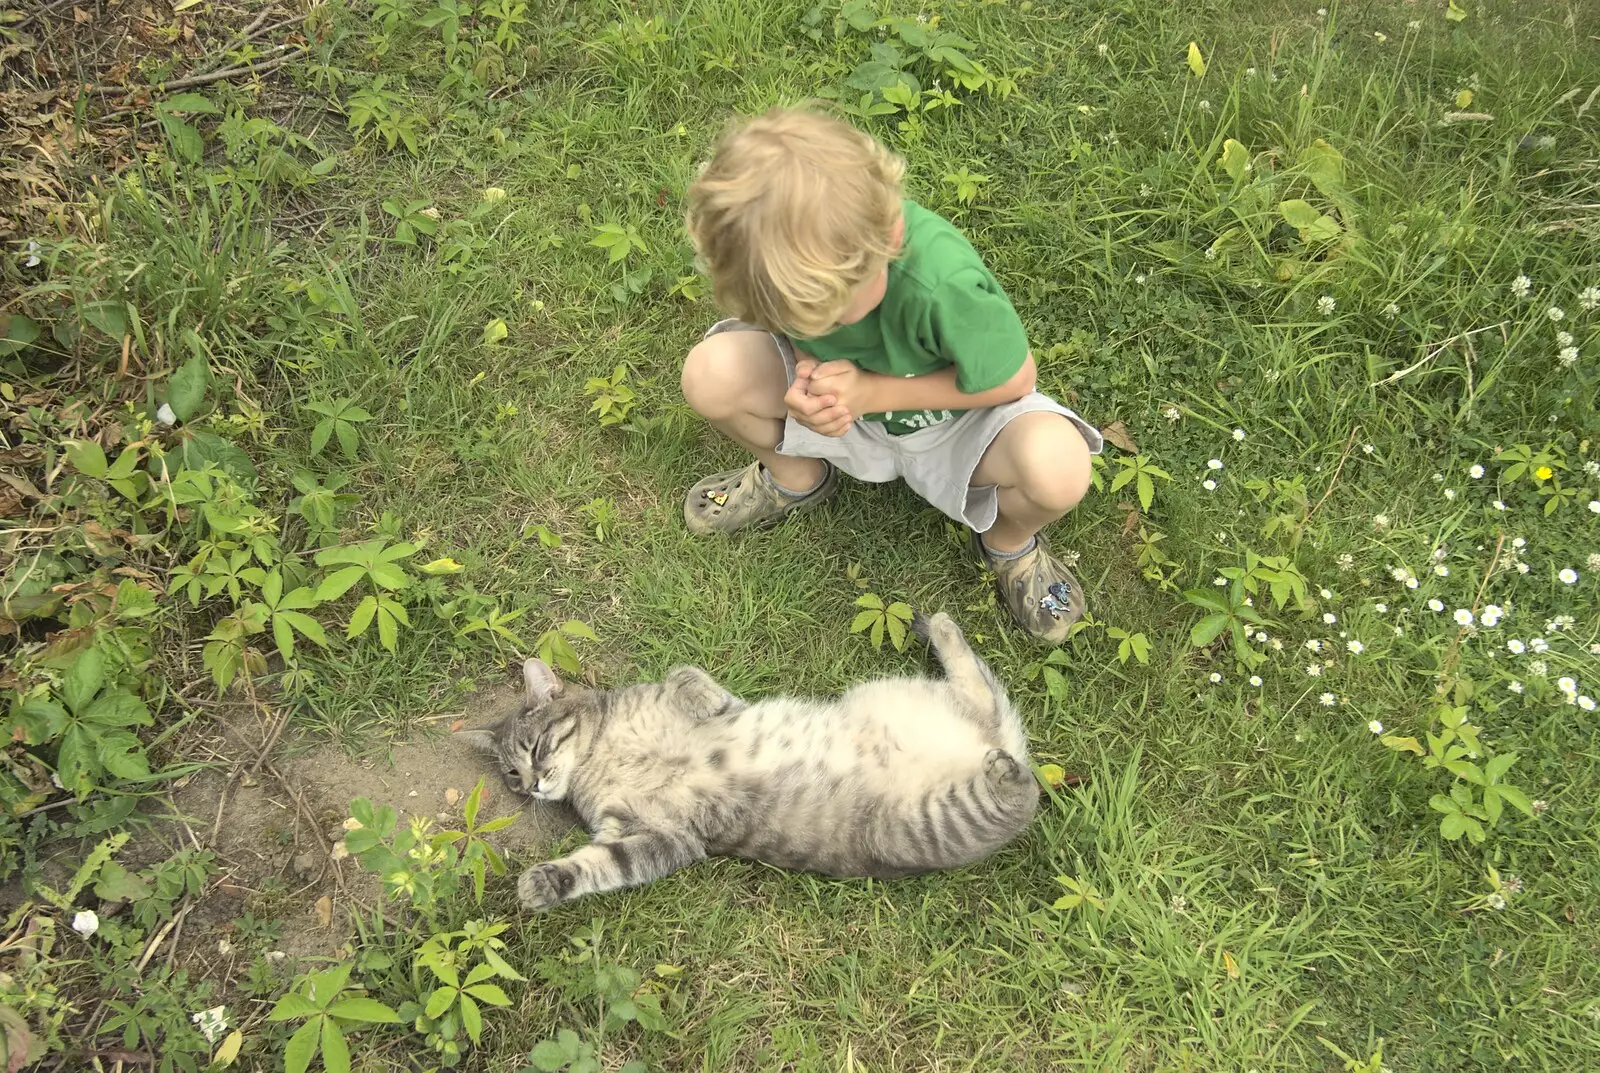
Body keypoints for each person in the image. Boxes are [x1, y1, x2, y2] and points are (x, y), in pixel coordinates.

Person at [678, 106, 1101, 643]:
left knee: (1059, 467)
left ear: (890, 235)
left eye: (831, 315)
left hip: (958, 421)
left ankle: (1009, 539)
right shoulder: (796, 276)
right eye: (786, 316)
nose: (814, 326)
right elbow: (794, 331)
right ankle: (797, 478)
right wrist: (807, 380)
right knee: (709, 375)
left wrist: (873, 392)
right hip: (852, 411)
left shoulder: (940, 280)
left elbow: (1014, 380)